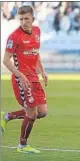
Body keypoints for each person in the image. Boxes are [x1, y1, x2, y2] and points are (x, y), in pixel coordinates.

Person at [1, 5, 48, 153]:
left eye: (26, 19)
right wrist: (19, 75)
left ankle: (7, 116)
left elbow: (36, 53)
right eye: (21, 19)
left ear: (33, 19)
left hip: (34, 77)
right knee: (32, 113)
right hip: (22, 80)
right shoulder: (14, 37)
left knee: (42, 112)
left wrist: (43, 71)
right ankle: (22, 145)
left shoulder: (37, 32)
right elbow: (5, 60)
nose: (23, 22)